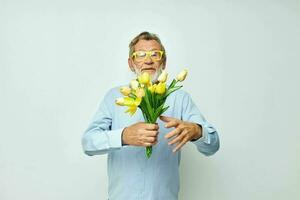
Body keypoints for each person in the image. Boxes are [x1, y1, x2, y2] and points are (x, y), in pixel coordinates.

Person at [81, 31, 220, 200]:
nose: (148, 60)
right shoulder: (115, 97)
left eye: (155, 54)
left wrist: (197, 131)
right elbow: (88, 143)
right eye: (140, 55)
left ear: (164, 61)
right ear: (131, 63)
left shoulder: (179, 98)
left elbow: (212, 146)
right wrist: (123, 136)